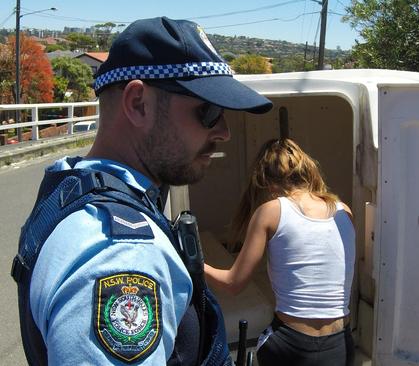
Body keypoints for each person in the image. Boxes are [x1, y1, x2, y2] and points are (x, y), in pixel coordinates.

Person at [11, 17, 272, 365]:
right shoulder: (120, 256)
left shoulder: (71, 188)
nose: (223, 131)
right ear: (137, 103)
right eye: (208, 111)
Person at [204, 138, 356, 366]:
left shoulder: (271, 211)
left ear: (266, 181)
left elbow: (232, 284)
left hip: (292, 346)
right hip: (340, 345)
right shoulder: (343, 211)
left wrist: (194, 264)